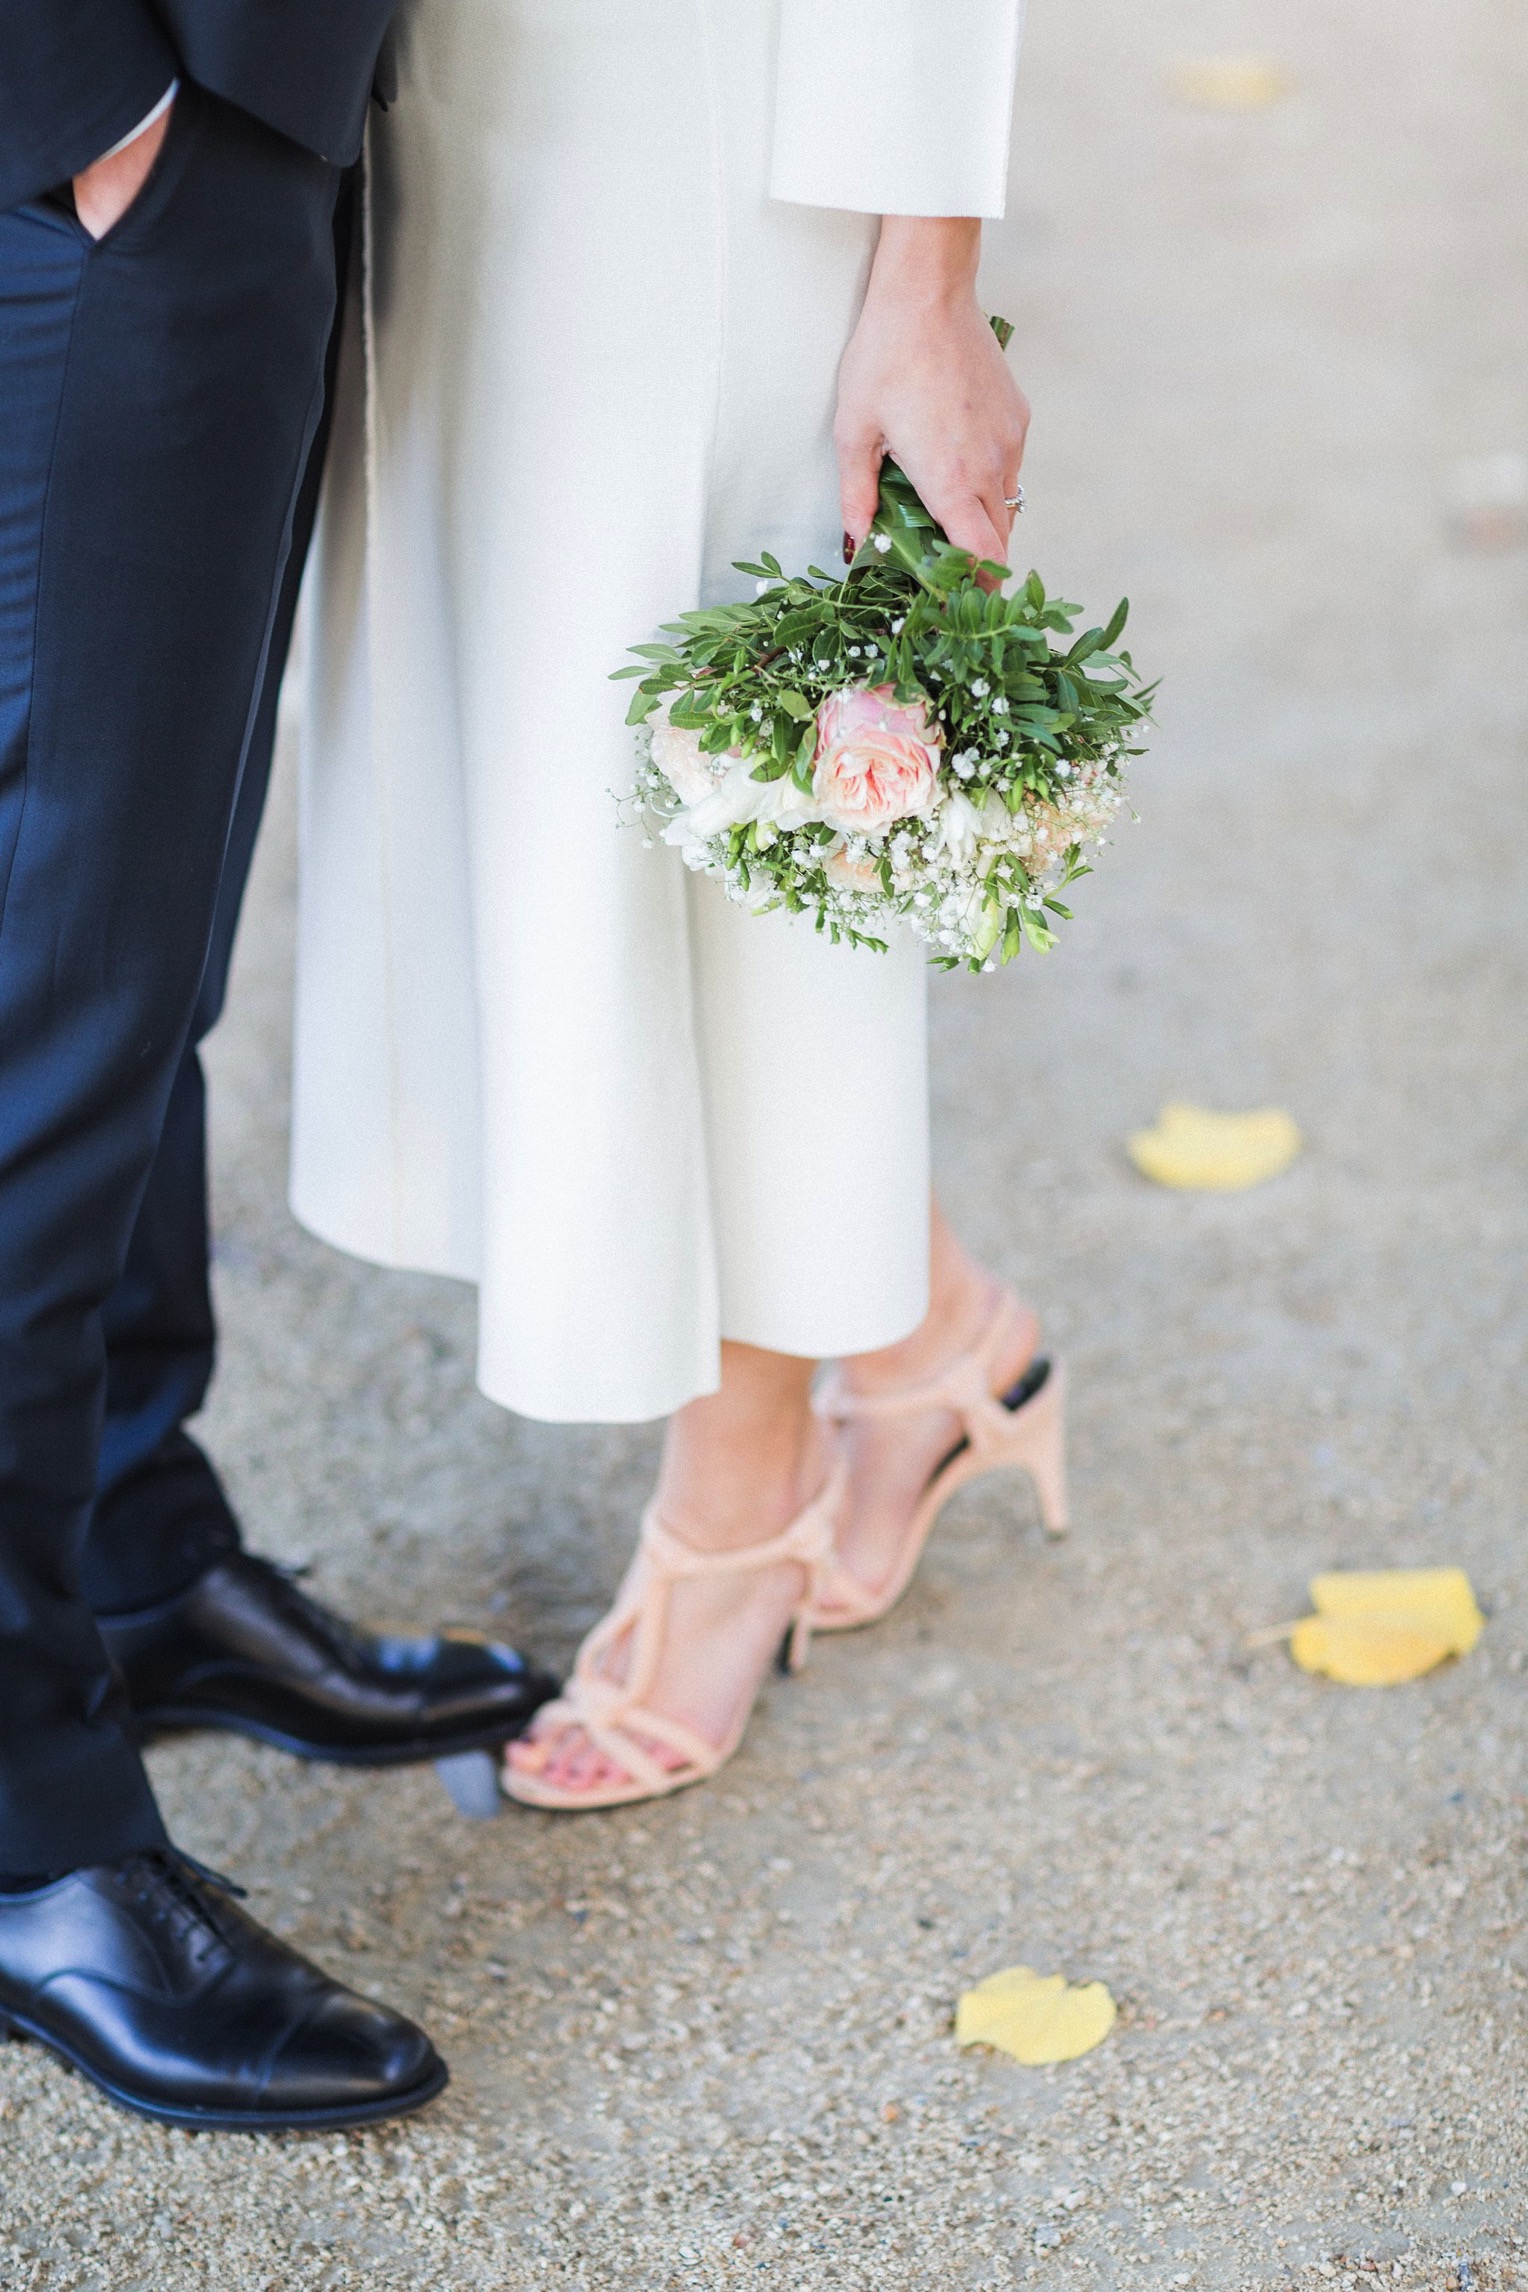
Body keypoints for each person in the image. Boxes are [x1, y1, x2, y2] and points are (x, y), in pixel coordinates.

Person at [293, 0, 1066, 1815]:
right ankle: (936, 1331)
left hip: (708, 125)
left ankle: (746, 1496)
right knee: (540, 780)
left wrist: (924, 273)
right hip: (441, 114)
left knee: (710, 812)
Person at [0, 0, 556, 2129]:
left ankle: (132, 1544)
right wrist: (93, 110)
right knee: (42, 1015)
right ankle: (34, 1832)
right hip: (100, 146)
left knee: (131, 946)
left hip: (213, 135)